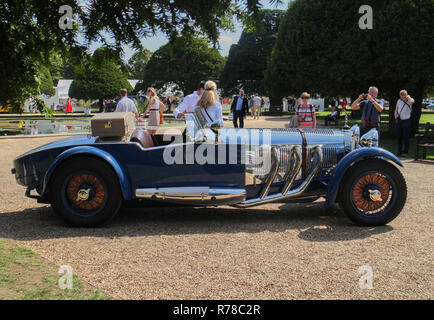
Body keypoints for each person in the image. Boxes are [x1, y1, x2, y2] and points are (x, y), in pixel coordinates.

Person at [395, 90, 415, 156]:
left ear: (406, 95)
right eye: (402, 95)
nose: (403, 97)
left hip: (406, 120)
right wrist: (396, 117)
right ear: (400, 96)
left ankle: (405, 152)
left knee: (406, 137)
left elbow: (412, 101)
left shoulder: (409, 100)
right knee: (399, 137)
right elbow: (396, 109)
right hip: (400, 120)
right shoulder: (399, 101)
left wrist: (408, 97)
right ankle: (399, 151)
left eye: (404, 95)